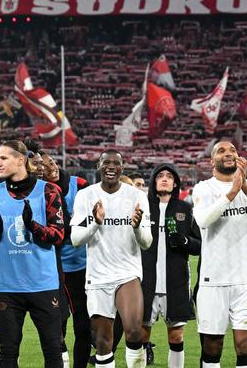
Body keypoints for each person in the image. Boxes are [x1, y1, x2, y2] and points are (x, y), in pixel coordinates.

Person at [191, 141, 247, 368]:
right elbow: (203, 221)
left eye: (232, 150)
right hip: (213, 280)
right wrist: (232, 192)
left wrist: (245, 186)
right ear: (212, 161)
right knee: (212, 346)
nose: (228, 153)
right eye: (221, 151)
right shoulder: (203, 188)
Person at [0, 140, 66, 367]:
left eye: (3, 158)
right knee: (8, 352)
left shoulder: (48, 191)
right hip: (7, 285)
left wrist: (32, 226)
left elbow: (58, 236)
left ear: (20, 160)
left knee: (53, 349)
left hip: (43, 284)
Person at [70, 149, 152, 368]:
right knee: (102, 341)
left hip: (127, 273)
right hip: (97, 276)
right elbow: (76, 239)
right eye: (106, 162)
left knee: (134, 331)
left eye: (116, 163)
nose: (111, 167)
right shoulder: (86, 195)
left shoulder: (136, 196)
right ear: (99, 166)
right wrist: (95, 223)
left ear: (122, 168)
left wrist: (137, 227)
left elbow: (146, 242)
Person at [140, 164, 199, 368]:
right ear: (154, 182)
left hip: (176, 283)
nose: (164, 179)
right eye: (160, 176)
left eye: (169, 176)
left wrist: (185, 241)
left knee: (176, 336)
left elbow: (199, 245)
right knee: (141, 334)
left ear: (175, 184)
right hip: (145, 282)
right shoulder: (144, 207)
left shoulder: (185, 209)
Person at [40, 152, 91, 368]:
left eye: (51, 162)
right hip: (54, 267)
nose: (50, 167)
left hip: (84, 265)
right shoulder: (39, 191)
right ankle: (62, 360)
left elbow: (93, 217)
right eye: (43, 166)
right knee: (57, 323)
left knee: (83, 324)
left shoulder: (79, 184)